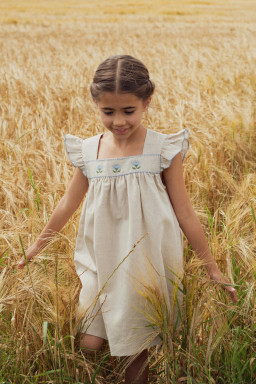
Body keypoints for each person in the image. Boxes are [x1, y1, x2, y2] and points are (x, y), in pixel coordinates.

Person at [17, 55, 237, 384]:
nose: (118, 121)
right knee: (89, 343)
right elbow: (67, 203)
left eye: (128, 111)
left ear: (147, 102)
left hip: (144, 263)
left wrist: (211, 266)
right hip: (100, 258)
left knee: (135, 350)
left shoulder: (163, 149)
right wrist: (36, 245)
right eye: (108, 112)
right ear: (97, 105)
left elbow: (185, 211)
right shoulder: (89, 151)